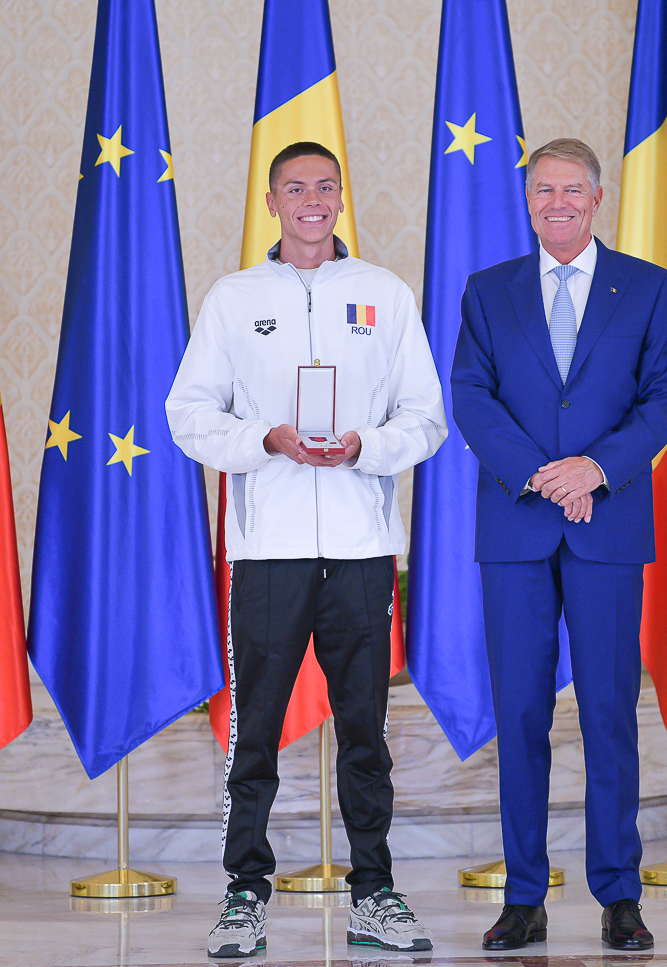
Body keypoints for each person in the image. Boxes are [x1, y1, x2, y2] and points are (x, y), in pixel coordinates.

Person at [166, 141, 446, 958]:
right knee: (254, 729)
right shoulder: (234, 298)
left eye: (325, 186)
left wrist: (365, 446)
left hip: (361, 549)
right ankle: (243, 894)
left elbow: (425, 416)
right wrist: (264, 438)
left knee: (365, 730)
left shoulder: (384, 294)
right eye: (296, 188)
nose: (312, 200)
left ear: (341, 198)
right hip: (268, 551)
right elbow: (189, 413)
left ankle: (375, 892)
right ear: (272, 202)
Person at [450, 138, 667, 952]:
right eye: (544, 189)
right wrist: (543, 475)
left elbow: (662, 397)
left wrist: (595, 468)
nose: (558, 202)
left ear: (596, 198)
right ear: (528, 200)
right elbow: (471, 397)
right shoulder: (488, 292)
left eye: (572, 189)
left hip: (606, 524)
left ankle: (620, 894)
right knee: (519, 713)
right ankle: (524, 896)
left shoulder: (649, 288)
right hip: (515, 527)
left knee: (609, 712)